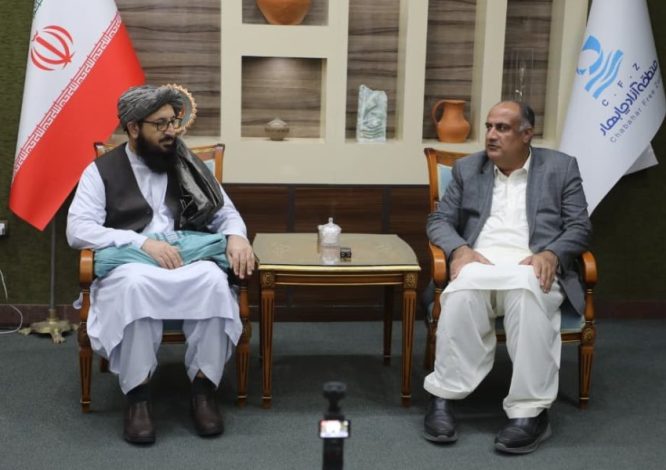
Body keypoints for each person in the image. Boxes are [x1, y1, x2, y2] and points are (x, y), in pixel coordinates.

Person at [67, 84, 255, 444]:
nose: (172, 131)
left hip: (187, 257)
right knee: (135, 286)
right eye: (161, 124)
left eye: (173, 122)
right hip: (132, 261)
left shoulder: (188, 163)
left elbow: (225, 213)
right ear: (134, 128)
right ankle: (137, 397)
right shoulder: (101, 171)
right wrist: (141, 243)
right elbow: (78, 230)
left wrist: (236, 236)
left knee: (213, 281)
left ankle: (203, 390)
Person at [422, 101, 592, 454]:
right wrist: (460, 250)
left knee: (527, 291)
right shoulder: (468, 169)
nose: (491, 135)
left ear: (527, 134)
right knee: (462, 289)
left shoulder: (561, 168)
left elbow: (579, 226)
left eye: (502, 128)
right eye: (489, 127)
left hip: (533, 264)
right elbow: (439, 220)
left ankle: (530, 412)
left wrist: (552, 253)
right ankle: (444, 396)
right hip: (481, 261)